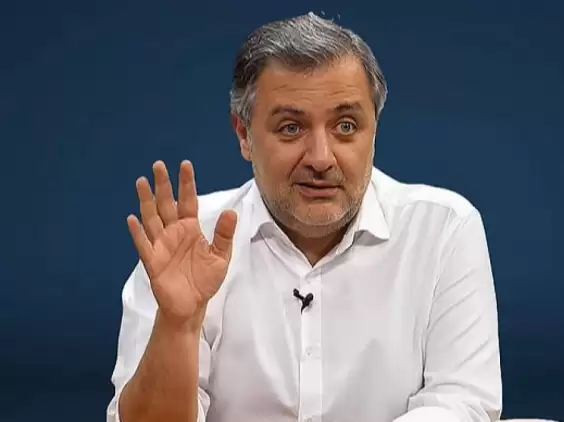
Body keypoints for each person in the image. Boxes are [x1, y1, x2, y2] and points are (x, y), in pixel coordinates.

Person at [106, 12, 502, 422]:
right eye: (291, 128)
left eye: (345, 126)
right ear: (243, 134)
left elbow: (460, 402)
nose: (320, 158)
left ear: (374, 130)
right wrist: (178, 325)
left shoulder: (442, 231)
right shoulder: (185, 245)